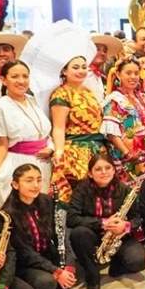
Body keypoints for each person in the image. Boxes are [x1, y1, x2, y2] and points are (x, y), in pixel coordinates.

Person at [66, 154, 145, 289]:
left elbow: (138, 217)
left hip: (119, 236)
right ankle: (92, 276)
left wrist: (125, 225)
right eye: (98, 169)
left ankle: (117, 264)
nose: (104, 172)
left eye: (108, 168)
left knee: (138, 261)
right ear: (90, 173)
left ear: (114, 170)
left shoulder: (125, 189)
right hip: (92, 234)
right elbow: (71, 218)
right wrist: (103, 223)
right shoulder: (81, 190)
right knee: (78, 233)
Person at [2, 164, 75, 289]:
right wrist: (55, 271)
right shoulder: (8, 213)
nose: (36, 185)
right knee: (46, 283)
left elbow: (60, 235)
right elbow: (24, 253)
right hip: (25, 264)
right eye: (29, 180)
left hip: (45, 257)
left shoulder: (46, 201)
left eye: (39, 180)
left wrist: (67, 265)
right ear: (15, 184)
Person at [0, 61, 53, 206]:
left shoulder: (34, 100)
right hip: (19, 161)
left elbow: (46, 134)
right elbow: (2, 143)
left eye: (25, 76)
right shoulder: (0, 107)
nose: (21, 81)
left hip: (44, 162)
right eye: (15, 76)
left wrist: (51, 148)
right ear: (4, 80)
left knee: (41, 205)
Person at [50, 56, 107, 197]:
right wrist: (59, 152)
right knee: (81, 193)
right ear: (64, 71)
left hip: (97, 149)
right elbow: (58, 127)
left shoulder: (88, 91)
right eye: (75, 67)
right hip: (75, 152)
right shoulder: (61, 94)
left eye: (84, 67)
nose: (81, 71)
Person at [102, 56, 145, 185]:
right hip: (129, 157)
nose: (133, 77)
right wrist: (127, 153)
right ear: (118, 75)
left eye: (136, 73)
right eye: (128, 73)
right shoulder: (115, 99)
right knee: (132, 191)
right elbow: (111, 133)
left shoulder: (144, 97)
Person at [86, 34, 123, 105]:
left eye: (105, 51)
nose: (102, 53)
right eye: (97, 49)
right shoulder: (82, 74)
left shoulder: (99, 75)